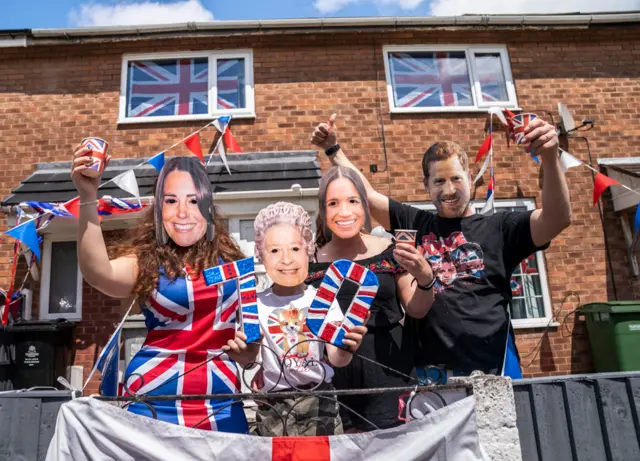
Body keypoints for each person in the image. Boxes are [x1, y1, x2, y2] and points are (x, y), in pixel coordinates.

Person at [310, 114, 571, 380]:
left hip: (494, 369)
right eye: (439, 181)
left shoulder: (500, 228)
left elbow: (557, 218)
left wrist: (550, 158)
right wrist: (333, 148)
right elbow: (364, 193)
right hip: (429, 377)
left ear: (470, 178)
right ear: (426, 185)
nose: (449, 189)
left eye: (456, 179)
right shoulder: (414, 223)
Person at [71, 147, 257, 432]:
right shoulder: (147, 261)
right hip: (155, 398)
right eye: (171, 201)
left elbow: (252, 333)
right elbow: (99, 273)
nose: (183, 211)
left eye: (193, 200)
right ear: (159, 208)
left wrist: (250, 355)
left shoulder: (237, 262)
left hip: (220, 400)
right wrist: (88, 197)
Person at [306, 166, 435, 432]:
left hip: (391, 373)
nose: (344, 211)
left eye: (353, 201)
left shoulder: (391, 252)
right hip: (334, 381)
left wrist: (425, 277)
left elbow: (417, 309)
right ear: (323, 210)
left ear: (365, 205)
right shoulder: (309, 263)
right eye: (333, 203)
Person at [249, 201, 367, 436]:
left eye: (295, 248)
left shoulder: (323, 300)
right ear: (261, 256)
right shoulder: (254, 303)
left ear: (309, 251)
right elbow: (249, 361)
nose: (286, 259)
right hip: (274, 406)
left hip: (320, 403)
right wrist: (243, 352)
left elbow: (337, 359)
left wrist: (346, 347)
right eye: (274, 250)